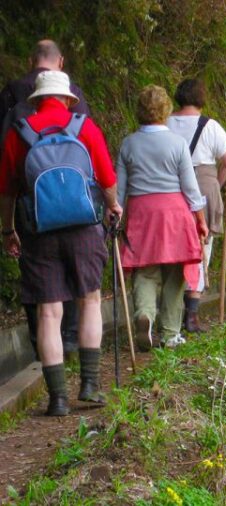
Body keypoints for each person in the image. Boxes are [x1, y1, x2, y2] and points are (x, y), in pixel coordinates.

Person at [0, 71, 121, 416]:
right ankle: (90, 386)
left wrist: (9, 230)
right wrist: (112, 205)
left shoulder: (18, 133)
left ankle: (58, 399)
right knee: (90, 301)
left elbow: (7, 191)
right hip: (84, 227)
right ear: (68, 99)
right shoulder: (85, 127)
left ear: (35, 101)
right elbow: (107, 178)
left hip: (39, 230)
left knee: (49, 311)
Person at [0, 40, 89, 356]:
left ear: (30, 60)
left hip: (31, 204)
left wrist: (7, 226)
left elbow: (6, 166)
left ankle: (41, 342)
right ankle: (70, 338)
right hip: (77, 204)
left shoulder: (11, 93)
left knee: (37, 273)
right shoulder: (74, 95)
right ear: (60, 62)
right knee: (75, 270)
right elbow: (92, 155)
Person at [116, 85, 208, 350]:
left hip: (142, 213)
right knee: (175, 273)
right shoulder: (177, 143)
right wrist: (200, 219)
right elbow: (191, 189)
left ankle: (144, 314)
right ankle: (170, 333)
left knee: (144, 271)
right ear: (166, 109)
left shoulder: (129, 144)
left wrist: (115, 218)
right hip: (174, 214)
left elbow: (120, 191)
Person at [167, 79, 226, 332]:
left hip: (171, 189)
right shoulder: (211, 127)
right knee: (201, 248)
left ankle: (170, 314)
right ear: (201, 98)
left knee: (173, 247)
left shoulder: (164, 123)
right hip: (204, 187)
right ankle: (192, 315)